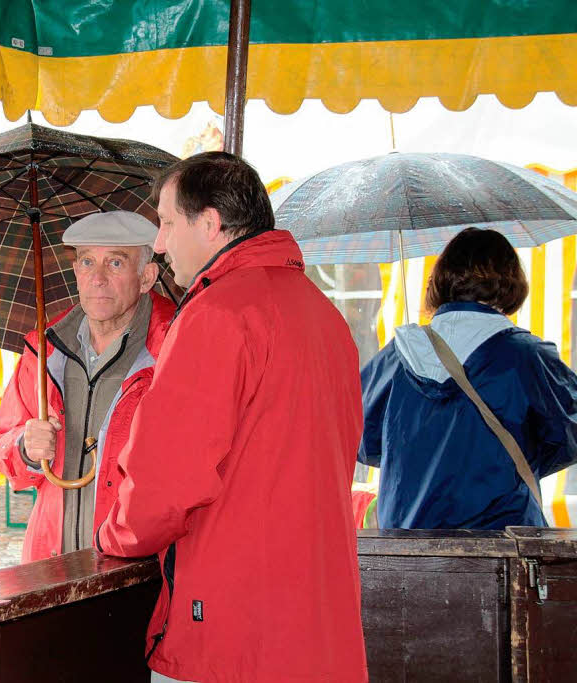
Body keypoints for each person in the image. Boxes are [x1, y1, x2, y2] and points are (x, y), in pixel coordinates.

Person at [94, 152, 367, 683]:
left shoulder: (217, 314)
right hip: (318, 626)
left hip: (234, 631)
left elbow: (164, 483)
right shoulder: (324, 314)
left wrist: (112, 534)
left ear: (210, 223)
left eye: (168, 222)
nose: (159, 242)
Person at [0, 211, 176, 561]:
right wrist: (25, 446)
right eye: (87, 261)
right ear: (75, 271)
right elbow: (0, 442)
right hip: (50, 561)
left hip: (136, 566)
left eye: (116, 263)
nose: (98, 278)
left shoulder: (175, 351)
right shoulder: (43, 350)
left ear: (147, 276)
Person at [359, 227, 577, 529]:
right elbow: (568, 436)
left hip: (407, 541)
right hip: (502, 538)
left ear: (439, 282)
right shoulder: (526, 355)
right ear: (511, 283)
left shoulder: (395, 356)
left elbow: (363, 441)